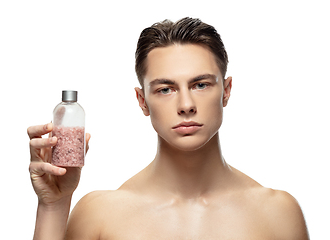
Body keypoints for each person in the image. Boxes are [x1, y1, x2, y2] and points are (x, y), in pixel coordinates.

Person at [27, 17, 309, 239]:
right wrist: (53, 206)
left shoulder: (278, 214)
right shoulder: (100, 214)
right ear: (142, 101)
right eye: (165, 89)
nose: (186, 104)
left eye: (201, 85)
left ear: (226, 90)